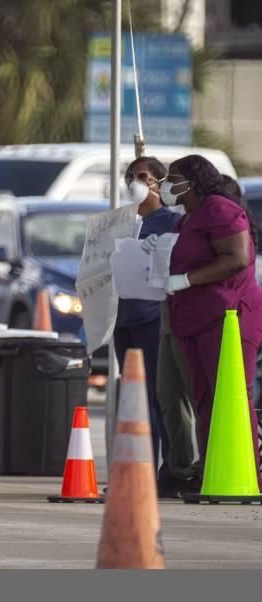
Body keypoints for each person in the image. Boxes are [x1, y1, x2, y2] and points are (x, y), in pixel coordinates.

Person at [162, 154, 262, 491]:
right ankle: (213, 471)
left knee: (231, 394)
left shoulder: (219, 209)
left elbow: (237, 257)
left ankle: (244, 473)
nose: (166, 185)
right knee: (204, 397)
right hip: (194, 319)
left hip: (228, 315)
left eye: (172, 178)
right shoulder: (186, 218)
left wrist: (188, 279)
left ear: (192, 180)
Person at [117, 157, 184, 495]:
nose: (135, 182)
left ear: (158, 181)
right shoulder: (122, 221)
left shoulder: (171, 222)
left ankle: (171, 470)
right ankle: (136, 468)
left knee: (159, 398)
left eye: (142, 176)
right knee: (131, 398)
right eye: (130, 176)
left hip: (152, 319)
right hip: (122, 321)